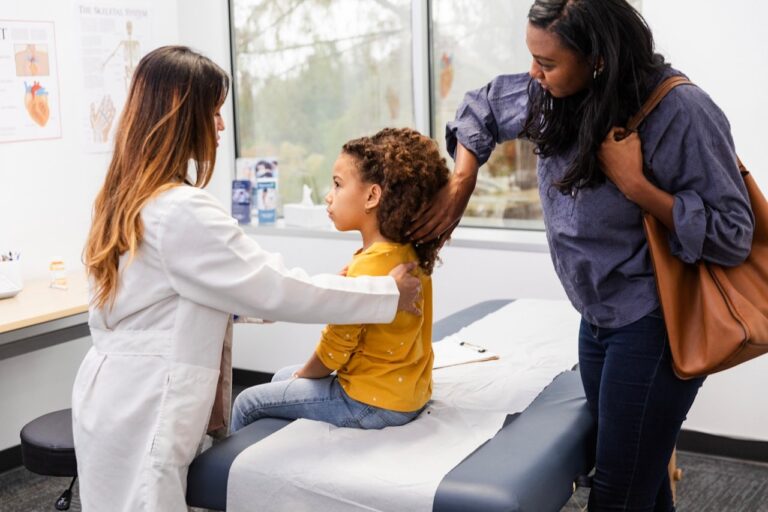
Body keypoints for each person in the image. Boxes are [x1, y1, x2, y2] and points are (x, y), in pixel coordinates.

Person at [410, 1, 754, 511]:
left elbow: (733, 233)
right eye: (532, 58)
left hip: (654, 321)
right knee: (642, 475)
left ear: (597, 58)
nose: (533, 73)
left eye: (547, 63)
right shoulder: (548, 94)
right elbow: (480, 106)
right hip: (596, 320)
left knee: (616, 491)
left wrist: (637, 185)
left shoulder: (680, 111)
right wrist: (463, 179)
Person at [74, 46, 421, 512]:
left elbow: (174, 294)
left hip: (115, 392)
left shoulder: (129, 197)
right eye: (214, 112)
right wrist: (386, 292)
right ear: (182, 111)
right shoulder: (180, 209)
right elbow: (272, 286)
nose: (220, 126)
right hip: (146, 399)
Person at [232, 127, 449, 431]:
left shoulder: (369, 267)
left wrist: (302, 378)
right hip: (408, 395)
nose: (328, 195)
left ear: (372, 196)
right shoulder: (409, 255)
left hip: (370, 403)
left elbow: (335, 350)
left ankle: (226, 471)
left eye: (337, 184)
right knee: (282, 377)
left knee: (247, 402)